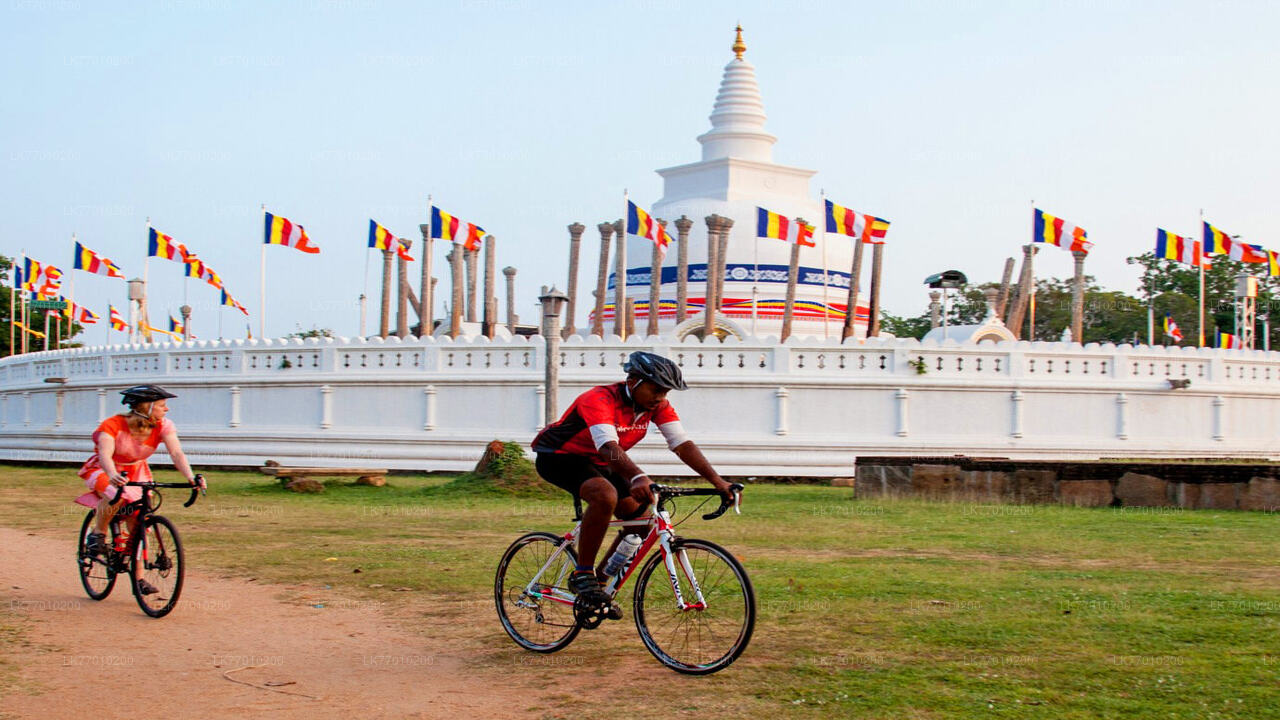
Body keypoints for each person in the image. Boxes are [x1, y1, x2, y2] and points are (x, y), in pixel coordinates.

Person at [532, 350, 735, 610]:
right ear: (632, 383)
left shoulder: (657, 406)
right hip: (559, 457)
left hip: (602, 461)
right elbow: (607, 445)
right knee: (604, 495)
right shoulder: (598, 398)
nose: (661, 397)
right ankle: (583, 574)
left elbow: (681, 444)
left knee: (639, 521)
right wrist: (638, 476)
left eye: (666, 392)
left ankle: (599, 586)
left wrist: (718, 482)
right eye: (656, 390)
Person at [79, 384, 201, 593]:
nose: (167, 409)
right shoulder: (112, 425)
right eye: (162, 405)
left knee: (139, 523)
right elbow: (104, 455)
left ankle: (139, 579)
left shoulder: (164, 425)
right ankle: (97, 534)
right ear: (147, 407)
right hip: (105, 469)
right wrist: (112, 475)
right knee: (114, 495)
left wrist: (191, 477)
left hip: (136, 471)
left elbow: (177, 454)